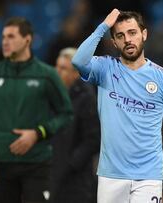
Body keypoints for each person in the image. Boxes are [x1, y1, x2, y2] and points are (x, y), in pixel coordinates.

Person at [71, 9, 163, 202]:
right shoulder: (104, 68)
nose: (128, 40)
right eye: (120, 36)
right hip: (110, 174)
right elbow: (78, 60)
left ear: (144, 34)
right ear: (114, 42)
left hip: (149, 175)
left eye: (132, 33)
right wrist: (103, 26)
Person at [0, 17, 73, 203]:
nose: (4, 41)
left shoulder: (46, 74)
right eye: (3, 37)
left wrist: (38, 133)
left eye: (11, 36)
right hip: (1, 164)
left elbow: (66, 114)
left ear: (27, 39)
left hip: (37, 164)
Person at [51, 47, 100, 203]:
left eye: (63, 68)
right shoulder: (50, 94)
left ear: (75, 73)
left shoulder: (86, 97)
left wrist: (70, 163)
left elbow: (93, 139)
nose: (57, 72)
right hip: (52, 172)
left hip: (76, 179)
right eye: (57, 67)